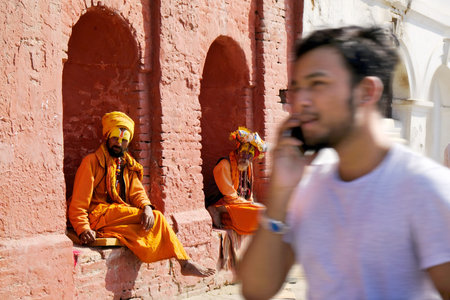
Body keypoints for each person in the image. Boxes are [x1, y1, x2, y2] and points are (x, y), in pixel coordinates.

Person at [240, 26, 450, 299]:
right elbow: (256, 289)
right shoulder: (309, 187)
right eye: (297, 88)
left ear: (366, 91)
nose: (300, 102)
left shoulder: (425, 188)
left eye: (318, 84)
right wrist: (280, 192)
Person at [68, 111, 215, 277]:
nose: (119, 143)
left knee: (153, 217)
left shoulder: (127, 164)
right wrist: (82, 228)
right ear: (107, 137)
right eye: (115, 138)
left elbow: (137, 191)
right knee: (156, 218)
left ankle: (184, 262)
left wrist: (146, 206)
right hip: (97, 215)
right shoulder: (91, 162)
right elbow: (79, 202)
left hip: (116, 215)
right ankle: (185, 262)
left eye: (124, 140)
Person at [205, 127, 267, 235]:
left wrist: (250, 204)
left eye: (249, 155)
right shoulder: (224, 165)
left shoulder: (248, 167)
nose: (245, 157)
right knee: (259, 215)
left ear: (253, 157)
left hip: (239, 204)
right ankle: (217, 211)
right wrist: (248, 205)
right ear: (238, 151)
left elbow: (249, 193)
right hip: (224, 203)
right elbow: (229, 196)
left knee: (264, 212)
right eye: (243, 153)